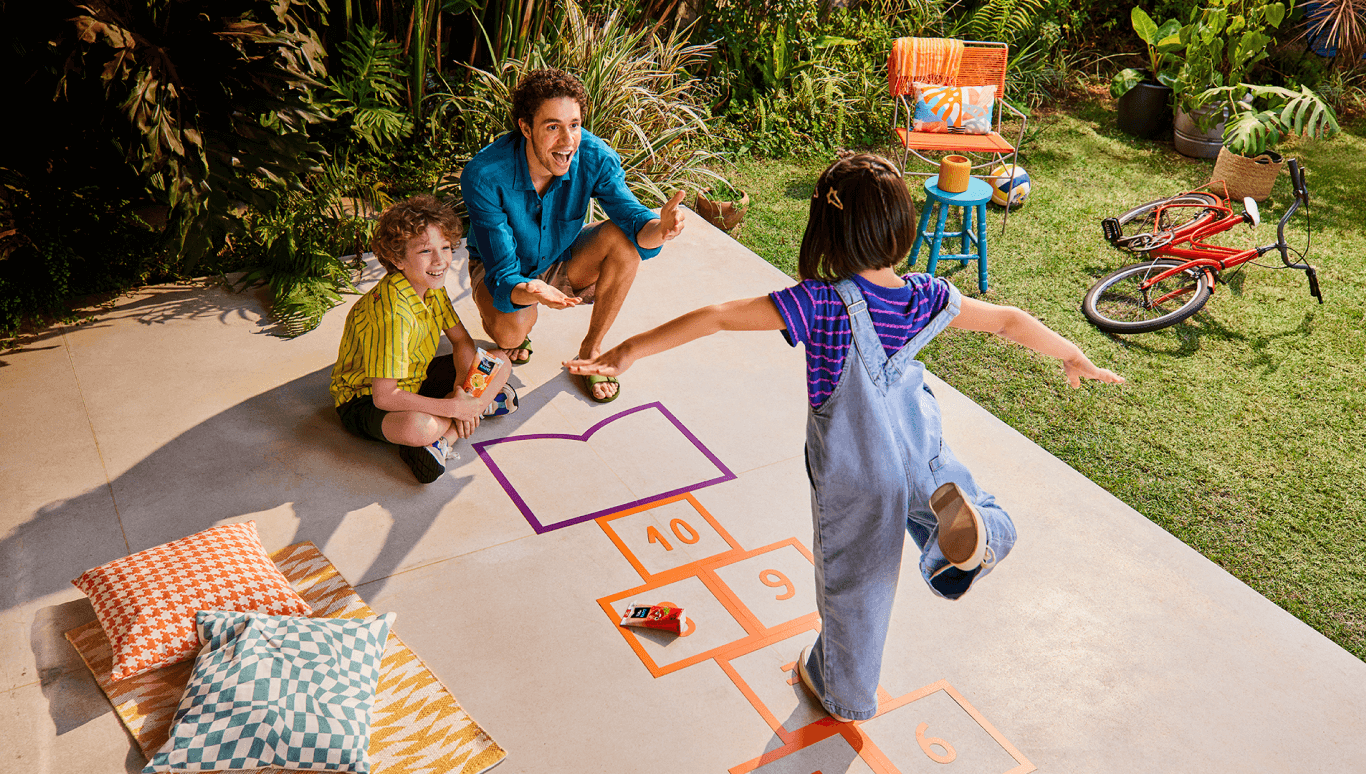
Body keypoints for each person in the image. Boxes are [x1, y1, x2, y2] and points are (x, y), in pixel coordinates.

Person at [565, 153, 1125, 722]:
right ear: (899, 228)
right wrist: (1071, 353)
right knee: (974, 508)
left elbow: (717, 315)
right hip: (920, 449)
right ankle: (977, 544)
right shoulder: (925, 295)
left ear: (827, 232)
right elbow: (1007, 318)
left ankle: (845, 693)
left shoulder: (819, 305)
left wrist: (628, 349)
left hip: (857, 474)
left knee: (856, 590)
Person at [460, 67, 686, 403]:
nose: (568, 141)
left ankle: (591, 350)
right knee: (511, 333)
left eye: (575, 125)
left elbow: (636, 224)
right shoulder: (485, 175)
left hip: (560, 254)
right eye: (553, 127)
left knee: (623, 243)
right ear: (525, 127)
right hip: (503, 270)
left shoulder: (594, 156)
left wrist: (662, 229)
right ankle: (517, 334)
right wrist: (533, 291)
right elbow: (504, 274)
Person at [330, 194, 517, 484]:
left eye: (445, 247)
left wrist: (461, 393)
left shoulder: (431, 284)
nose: (440, 261)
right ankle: (466, 417)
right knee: (419, 428)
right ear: (396, 258)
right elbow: (384, 397)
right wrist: (455, 407)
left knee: (499, 361)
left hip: (416, 377)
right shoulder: (393, 315)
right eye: (425, 252)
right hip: (366, 399)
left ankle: (446, 439)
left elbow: (462, 342)